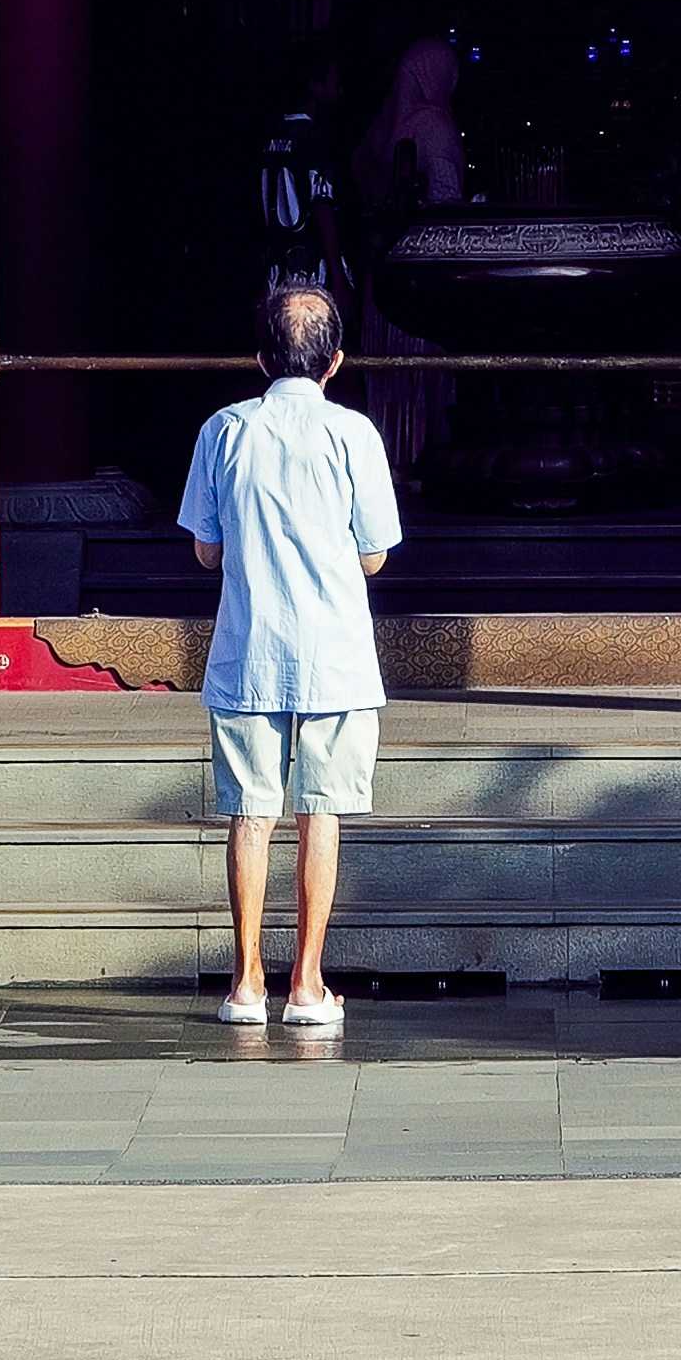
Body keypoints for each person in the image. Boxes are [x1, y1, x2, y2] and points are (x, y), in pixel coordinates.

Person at [179, 254, 407, 1041]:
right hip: (335, 652)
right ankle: (307, 982)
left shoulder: (223, 429)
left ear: (260, 358)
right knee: (321, 814)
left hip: (248, 645)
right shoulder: (353, 433)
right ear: (335, 360)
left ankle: (245, 981)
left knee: (250, 815)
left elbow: (205, 550)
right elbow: (374, 555)